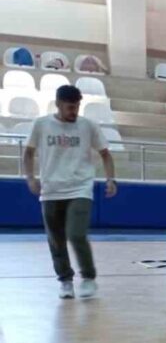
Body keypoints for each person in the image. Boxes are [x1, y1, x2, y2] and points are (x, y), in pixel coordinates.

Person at [22, 85, 117, 300]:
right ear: (58, 104)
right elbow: (28, 153)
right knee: (56, 239)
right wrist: (30, 177)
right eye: (70, 107)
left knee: (76, 234)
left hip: (80, 188)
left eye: (77, 107)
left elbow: (106, 154)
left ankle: (89, 277)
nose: (74, 111)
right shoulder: (41, 124)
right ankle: (65, 281)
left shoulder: (88, 126)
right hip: (51, 190)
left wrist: (110, 179)